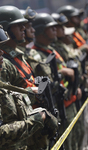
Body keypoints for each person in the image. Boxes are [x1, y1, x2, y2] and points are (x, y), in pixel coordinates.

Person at [31, 12, 82, 150]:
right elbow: (42, 82)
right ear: (41, 31)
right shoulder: (36, 54)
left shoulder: (51, 49)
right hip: (59, 105)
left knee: (77, 140)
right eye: (51, 28)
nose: (56, 30)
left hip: (69, 100)